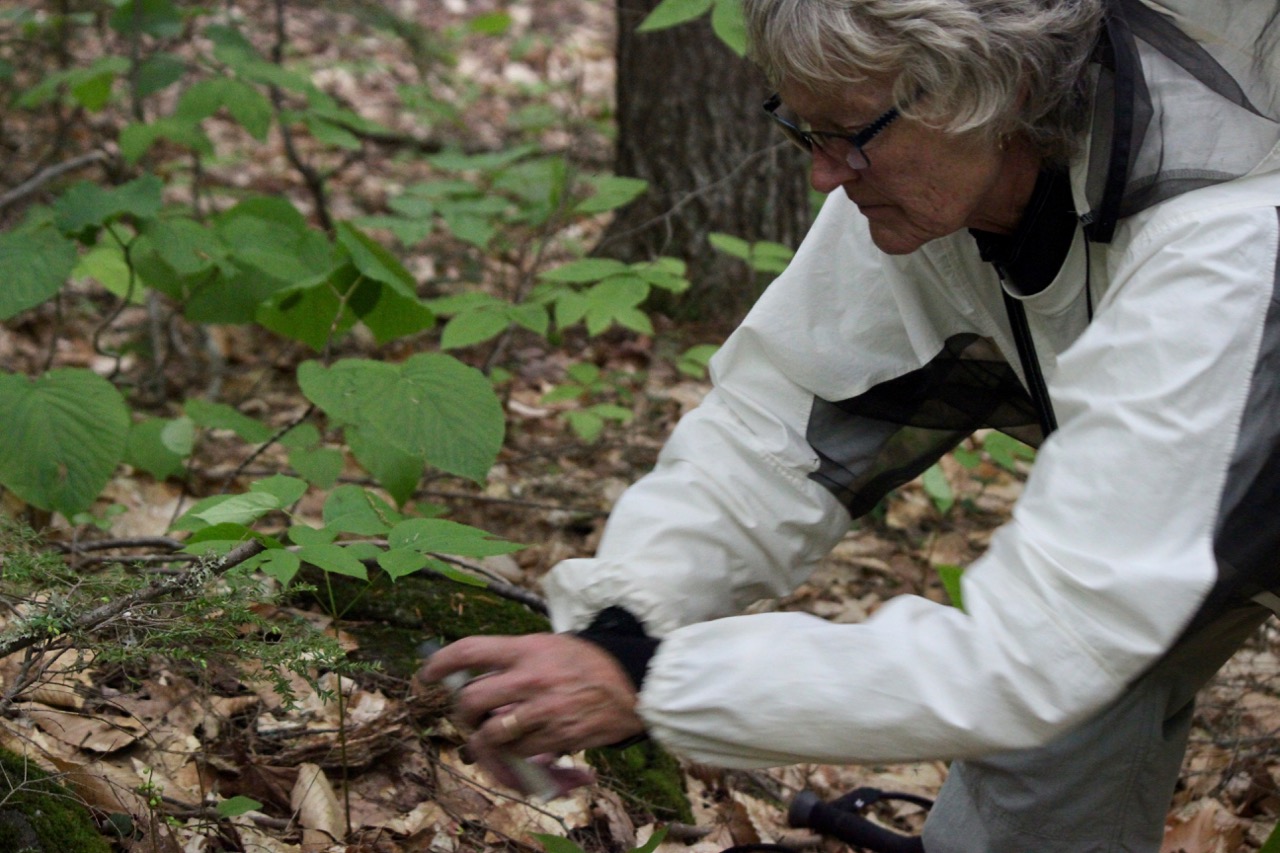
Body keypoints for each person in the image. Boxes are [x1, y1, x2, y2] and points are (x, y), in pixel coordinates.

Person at [420, 0, 1280, 848]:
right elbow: (776, 429)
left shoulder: (1222, 235)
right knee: (1053, 744)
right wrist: (619, 629)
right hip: (1177, 509)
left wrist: (656, 684)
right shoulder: (936, 178)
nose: (823, 174)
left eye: (850, 135)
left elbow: (1040, 650)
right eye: (806, 130)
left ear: (1004, 88)